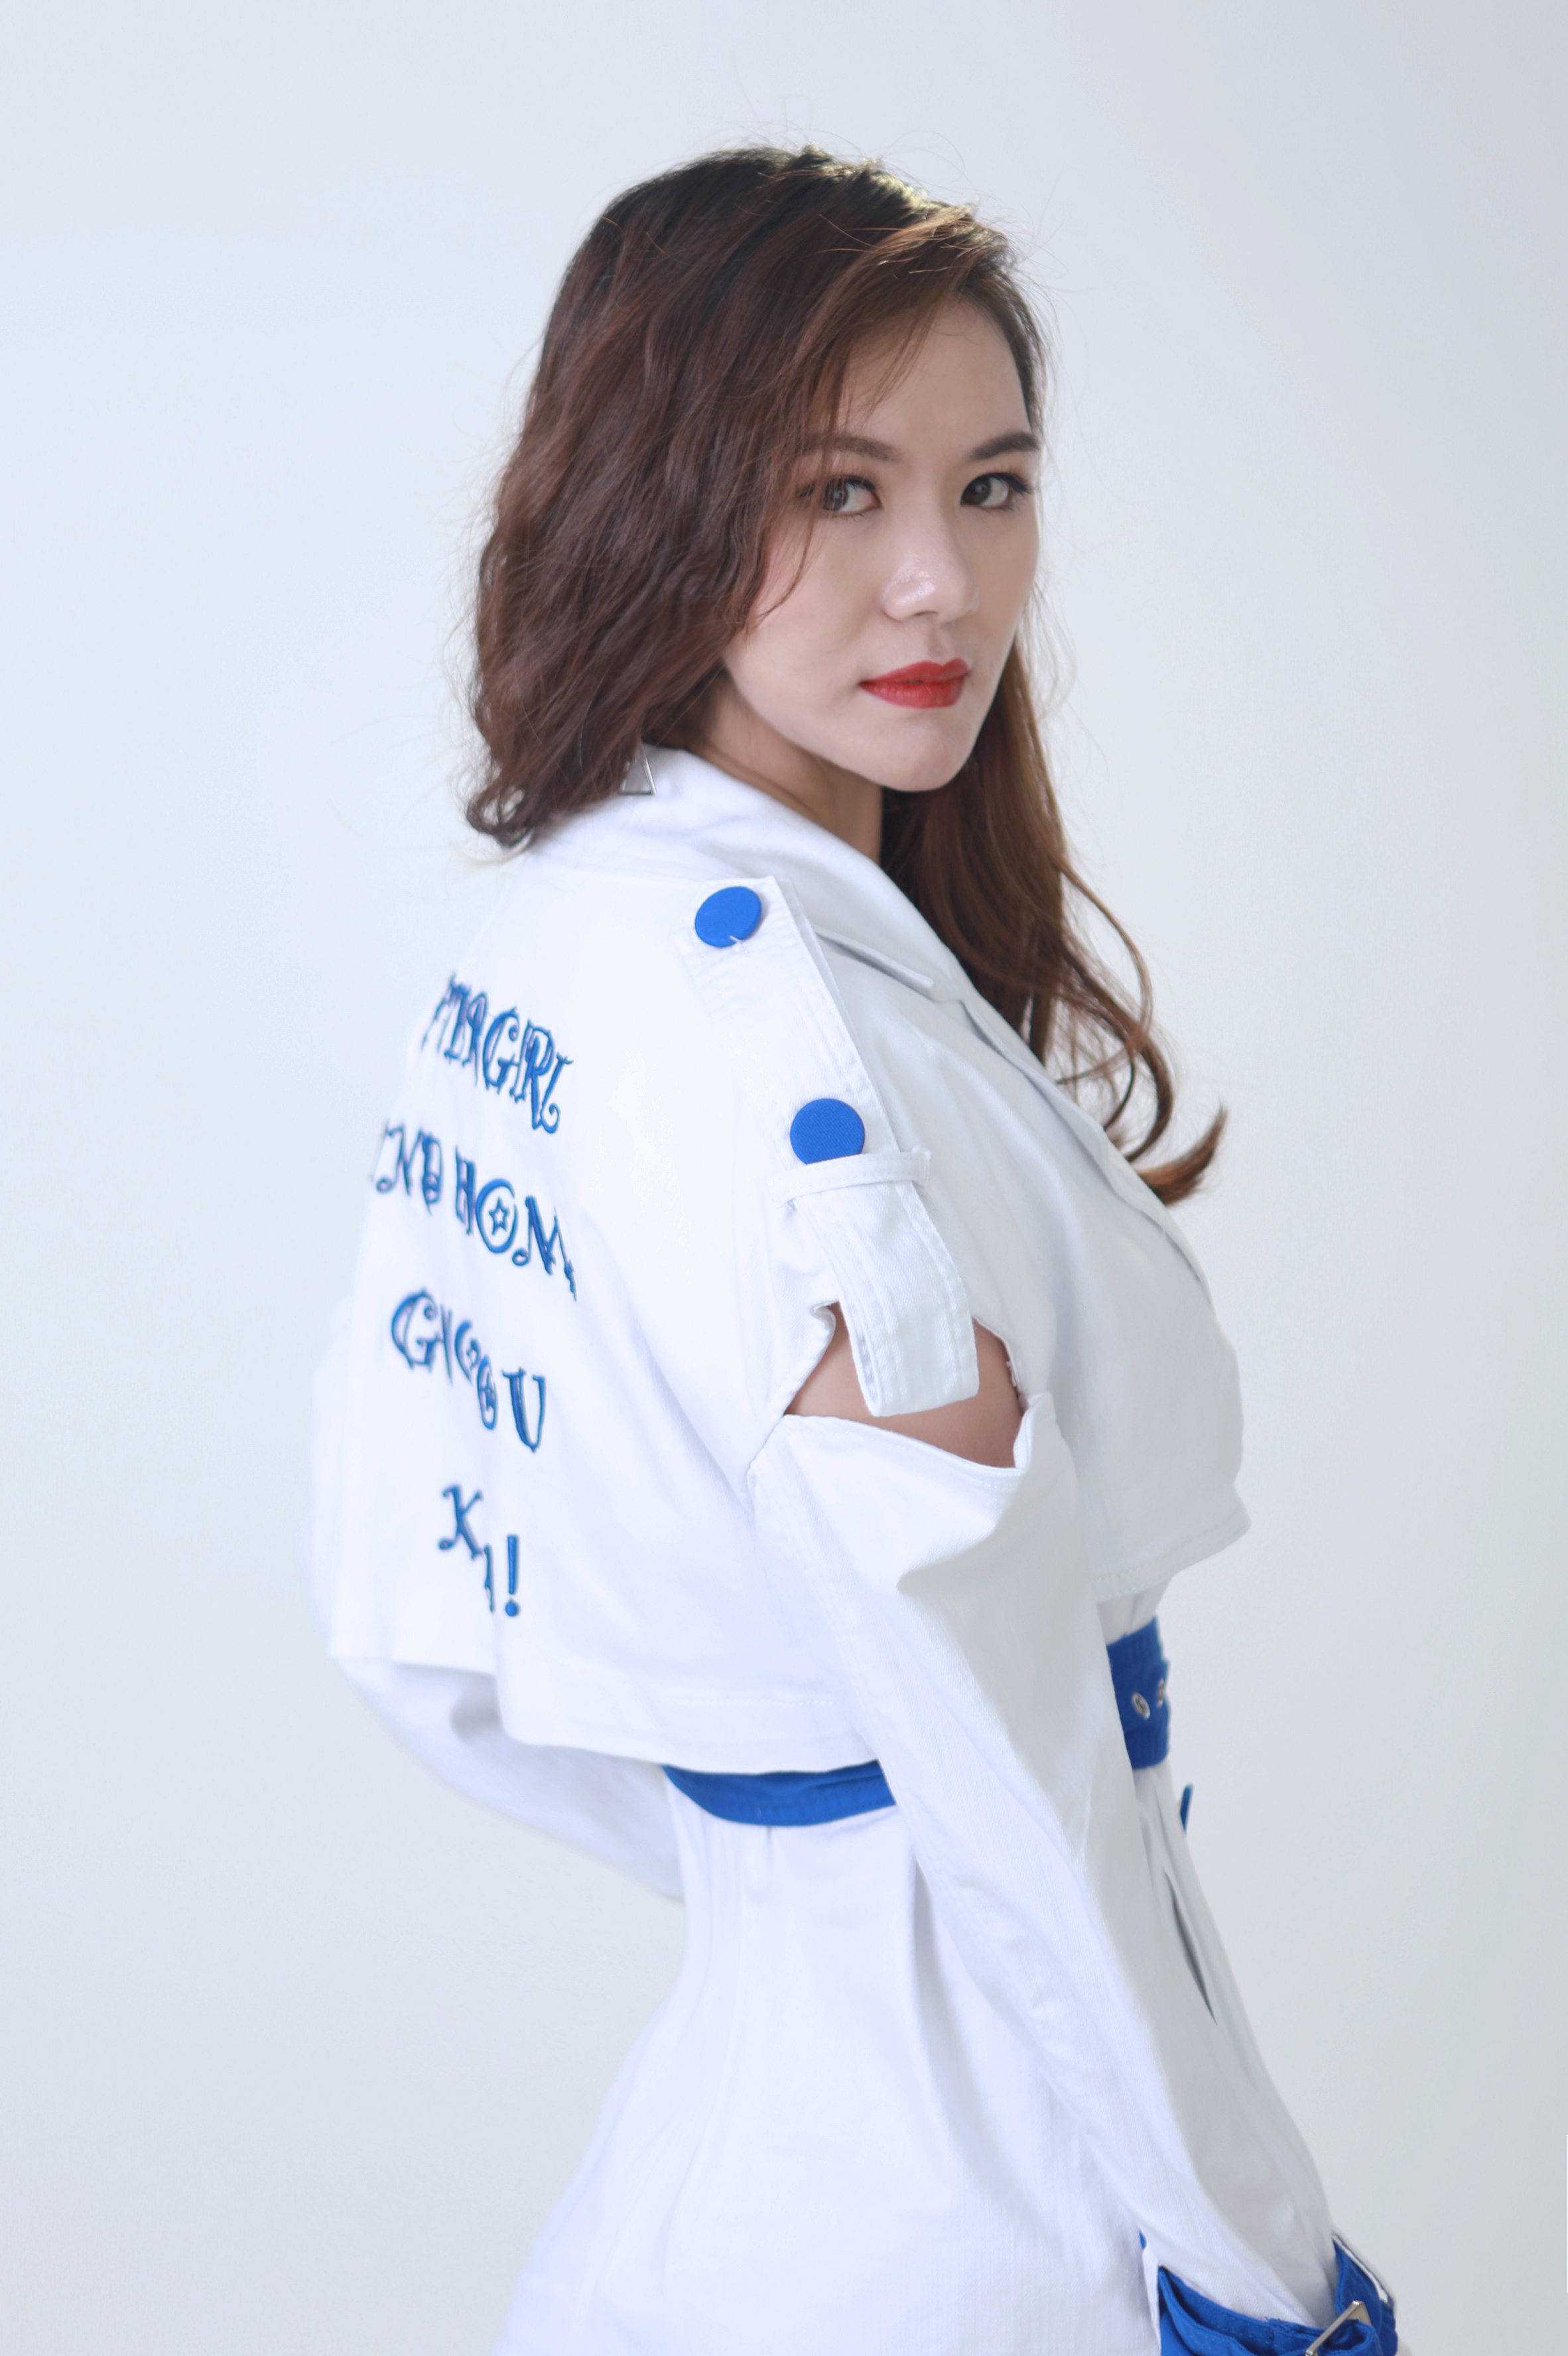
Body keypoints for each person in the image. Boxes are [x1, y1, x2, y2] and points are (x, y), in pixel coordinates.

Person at [304, 146, 1400, 2355]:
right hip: (978, 2236)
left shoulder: (558, 947)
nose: (939, 585)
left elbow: (396, 1629)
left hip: (721, 2178)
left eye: (992, 488)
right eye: (836, 491)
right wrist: (1268, 2280)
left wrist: (787, 1868)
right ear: (654, 500)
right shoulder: (794, 1065)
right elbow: (1006, 1772)